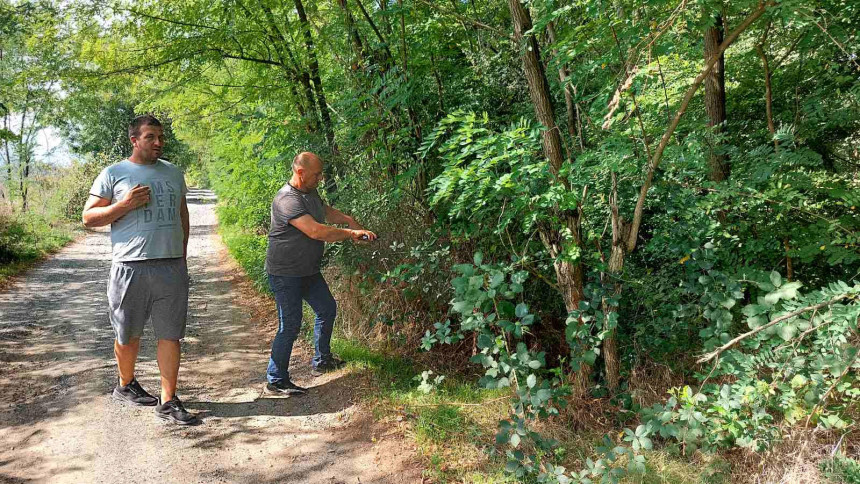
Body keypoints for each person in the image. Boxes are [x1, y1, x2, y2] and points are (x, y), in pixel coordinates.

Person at [82, 115, 196, 425]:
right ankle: (125, 383)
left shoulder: (174, 173)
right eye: (151, 137)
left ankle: (169, 400)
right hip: (129, 267)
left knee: (170, 335)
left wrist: (182, 256)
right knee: (127, 334)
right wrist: (124, 205)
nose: (158, 142)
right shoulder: (114, 173)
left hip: (171, 266)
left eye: (160, 137)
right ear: (135, 140)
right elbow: (89, 218)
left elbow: (182, 215)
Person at [264, 152, 376, 395]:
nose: (321, 178)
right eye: (316, 174)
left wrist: (350, 221)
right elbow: (315, 231)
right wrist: (350, 235)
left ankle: (322, 360)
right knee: (290, 325)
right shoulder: (286, 200)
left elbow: (326, 212)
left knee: (326, 309)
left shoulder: (309, 192)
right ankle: (275, 378)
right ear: (300, 173)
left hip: (308, 271)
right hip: (285, 274)